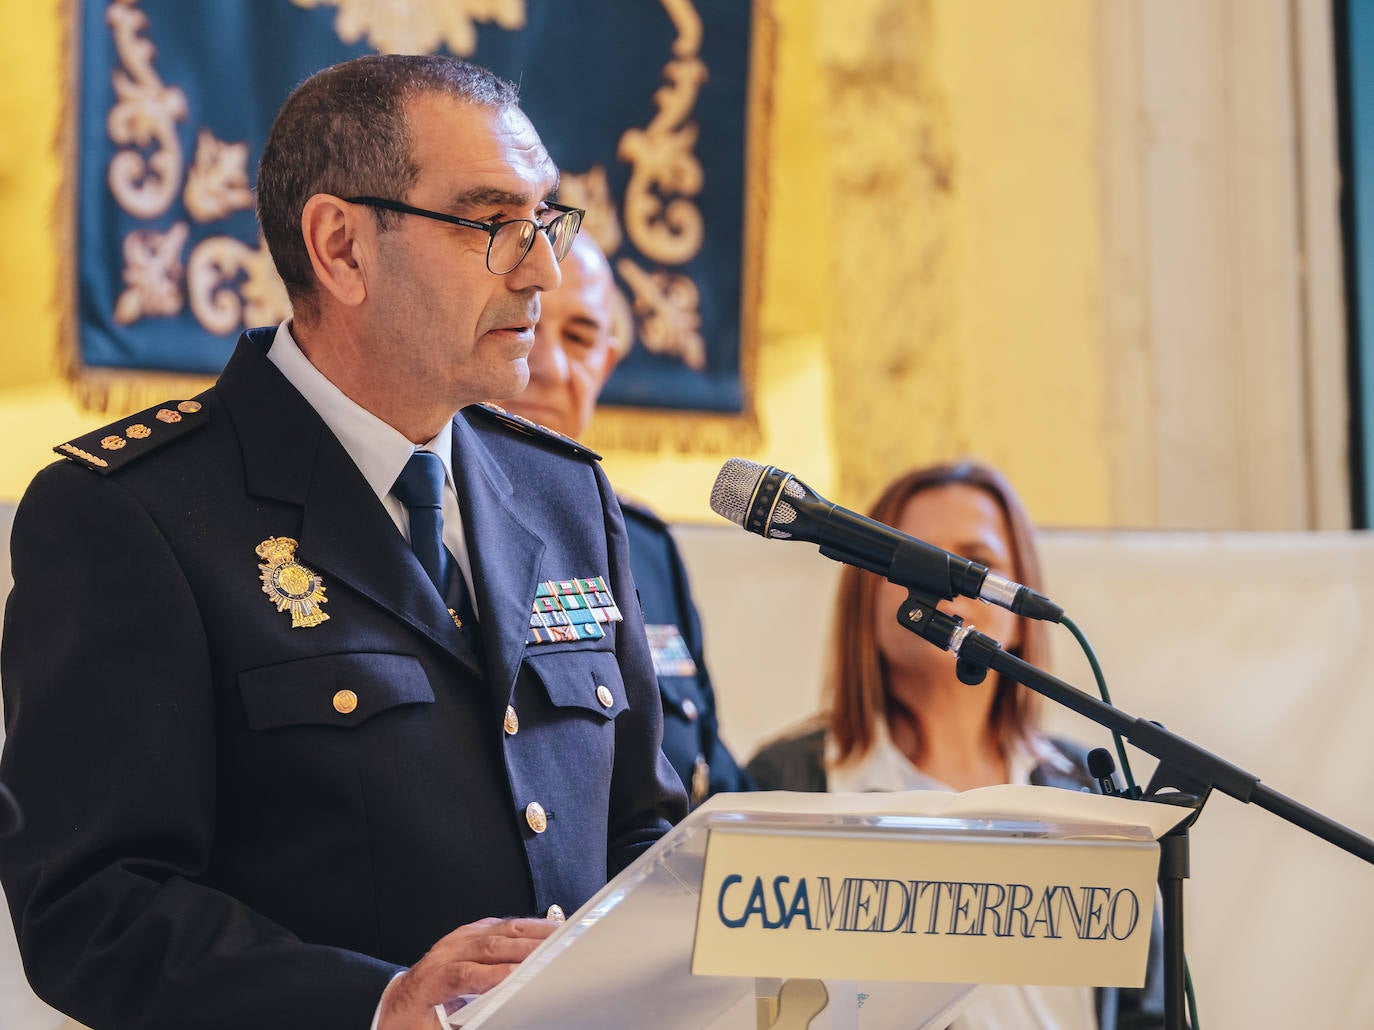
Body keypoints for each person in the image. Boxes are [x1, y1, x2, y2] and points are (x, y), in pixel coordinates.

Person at [0, 54, 686, 1030]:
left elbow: (635, 827)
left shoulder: (563, 493)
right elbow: (92, 906)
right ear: (340, 247)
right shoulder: (135, 512)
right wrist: (372, 1004)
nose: (540, 268)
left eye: (544, 220)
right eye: (492, 224)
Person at [746, 460, 1163, 1029]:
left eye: (978, 564)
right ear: (864, 599)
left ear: (1022, 608)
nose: (947, 583)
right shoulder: (785, 784)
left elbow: (1146, 1010)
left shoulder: (1088, 790)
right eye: (913, 557)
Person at [504, 233, 751, 805]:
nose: (549, 365)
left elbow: (707, 770)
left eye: (580, 336)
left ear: (607, 362)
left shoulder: (646, 548)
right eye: (528, 327)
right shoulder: (428, 519)